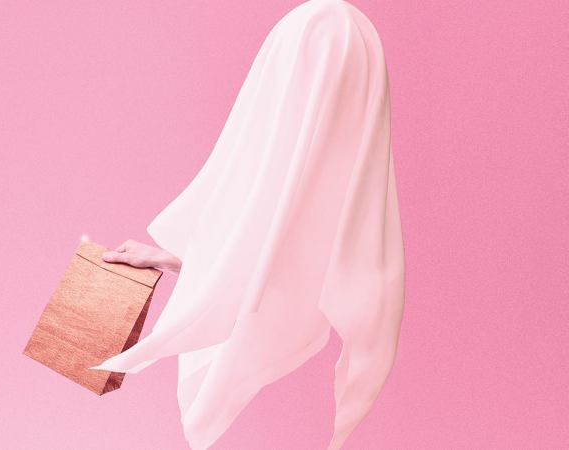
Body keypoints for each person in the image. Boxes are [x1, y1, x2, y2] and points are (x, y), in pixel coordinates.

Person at [90, 1, 405, 449]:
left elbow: (275, 264)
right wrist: (180, 261)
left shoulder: (320, 27)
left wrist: (193, 268)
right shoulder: (347, 33)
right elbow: (280, 262)